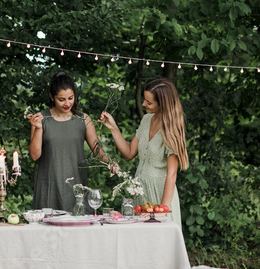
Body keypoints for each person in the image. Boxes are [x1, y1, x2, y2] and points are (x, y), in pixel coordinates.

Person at [99, 78, 189, 227]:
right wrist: (113, 128)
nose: (143, 104)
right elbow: (128, 153)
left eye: (149, 102)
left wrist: (162, 210)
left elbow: (172, 175)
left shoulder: (172, 129)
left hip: (160, 193)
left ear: (163, 104)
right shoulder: (146, 120)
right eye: (144, 100)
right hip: (140, 191)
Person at [28, 72, 110, 212]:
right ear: (51, 97)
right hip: (48, 187)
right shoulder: (40, 119)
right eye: (61, 99)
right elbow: (35, 156)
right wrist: (39, 128)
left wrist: (112, 165)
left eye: (70, 98)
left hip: (77, 187)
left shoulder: (83, 119)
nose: (67, 103)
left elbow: (98, 152)